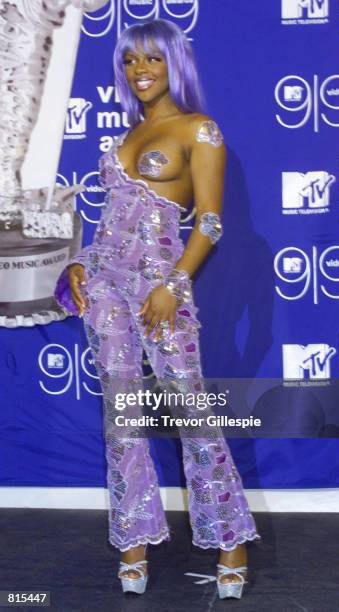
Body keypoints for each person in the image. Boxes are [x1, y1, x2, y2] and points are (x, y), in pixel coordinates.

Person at [54, 18, 260, 600]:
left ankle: (231, 540)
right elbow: (109, 225)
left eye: (152, 60)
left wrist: (173, 283)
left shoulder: (201, 130)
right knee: (122, 421)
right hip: (107, 287)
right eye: (129, 62)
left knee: (191, 415)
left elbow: (210, 222)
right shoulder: (124, 138)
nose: (140, 71)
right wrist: (80, 265)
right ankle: (134, 539)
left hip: (161, 289)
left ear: (175, 64)